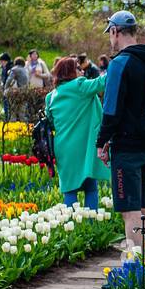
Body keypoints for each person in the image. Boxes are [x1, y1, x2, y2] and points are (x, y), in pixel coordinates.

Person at [97, 10, 145, 249]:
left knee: (130, 211)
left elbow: (111, 108)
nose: (110, 38)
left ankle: (137, 267)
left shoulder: (120, 63)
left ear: (116, 31)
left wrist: (102, 141)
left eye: (110, 33)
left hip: (127, 148)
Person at [45, 57, 109, 209]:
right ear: (70, 72)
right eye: (79, 69)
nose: (82, 72)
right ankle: (91, 225)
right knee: (91, 188)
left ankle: (71, 227)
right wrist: (120, 64)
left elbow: (52, 122)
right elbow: (103, 82)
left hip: (63, 147)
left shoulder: (51, 97)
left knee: (69, 189)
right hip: (83, 146)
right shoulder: (79, 86)